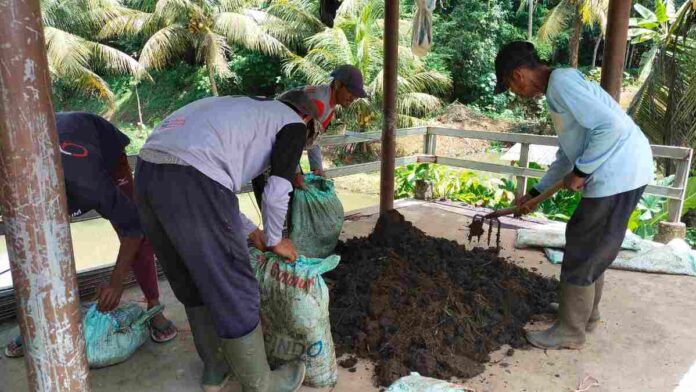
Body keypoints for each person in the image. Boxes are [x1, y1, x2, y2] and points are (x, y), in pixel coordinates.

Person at [134, 94, 320, 392]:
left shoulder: (245, 111)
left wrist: (250, 230)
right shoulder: (293, 124)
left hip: (147, 172)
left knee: (189, 278)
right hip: (193, 177)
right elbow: (275, 192)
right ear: (308, 119)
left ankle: (215, 369)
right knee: (234, 282)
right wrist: (274, 240)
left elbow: (215, 187)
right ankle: (262, 384)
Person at [493, 41, 653, 350]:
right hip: (621, 170)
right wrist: (536, 192)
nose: (515, 92)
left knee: (583, 245)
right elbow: (567, 156)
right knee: (592, 245)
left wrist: (582, 172)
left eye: (510, 86)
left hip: (618, 173)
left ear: (517, 75)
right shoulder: (559, 87)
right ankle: (584, 315)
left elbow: (613, 128)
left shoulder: (563, 84)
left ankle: (570, 330)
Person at [3, 112, 178, 359]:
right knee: (38, 250)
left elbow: (133, 227)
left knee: (131, 221)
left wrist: (116, 282)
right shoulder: (14, 188)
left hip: (98, 141)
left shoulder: (89, 182)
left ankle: (153, 304)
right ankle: (39, 323)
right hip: (47, 139)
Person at [252, 64, 367, 211]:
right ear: (338, 84)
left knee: (289, 208)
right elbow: (290, 137)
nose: (354, 98)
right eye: (351, 92)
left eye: (356, 95)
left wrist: (316, 167)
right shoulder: (317, 103)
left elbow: (312, 138)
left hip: (281, 152)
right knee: (275, 208)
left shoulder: (328, 103)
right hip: (268, 151)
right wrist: (296, 172)